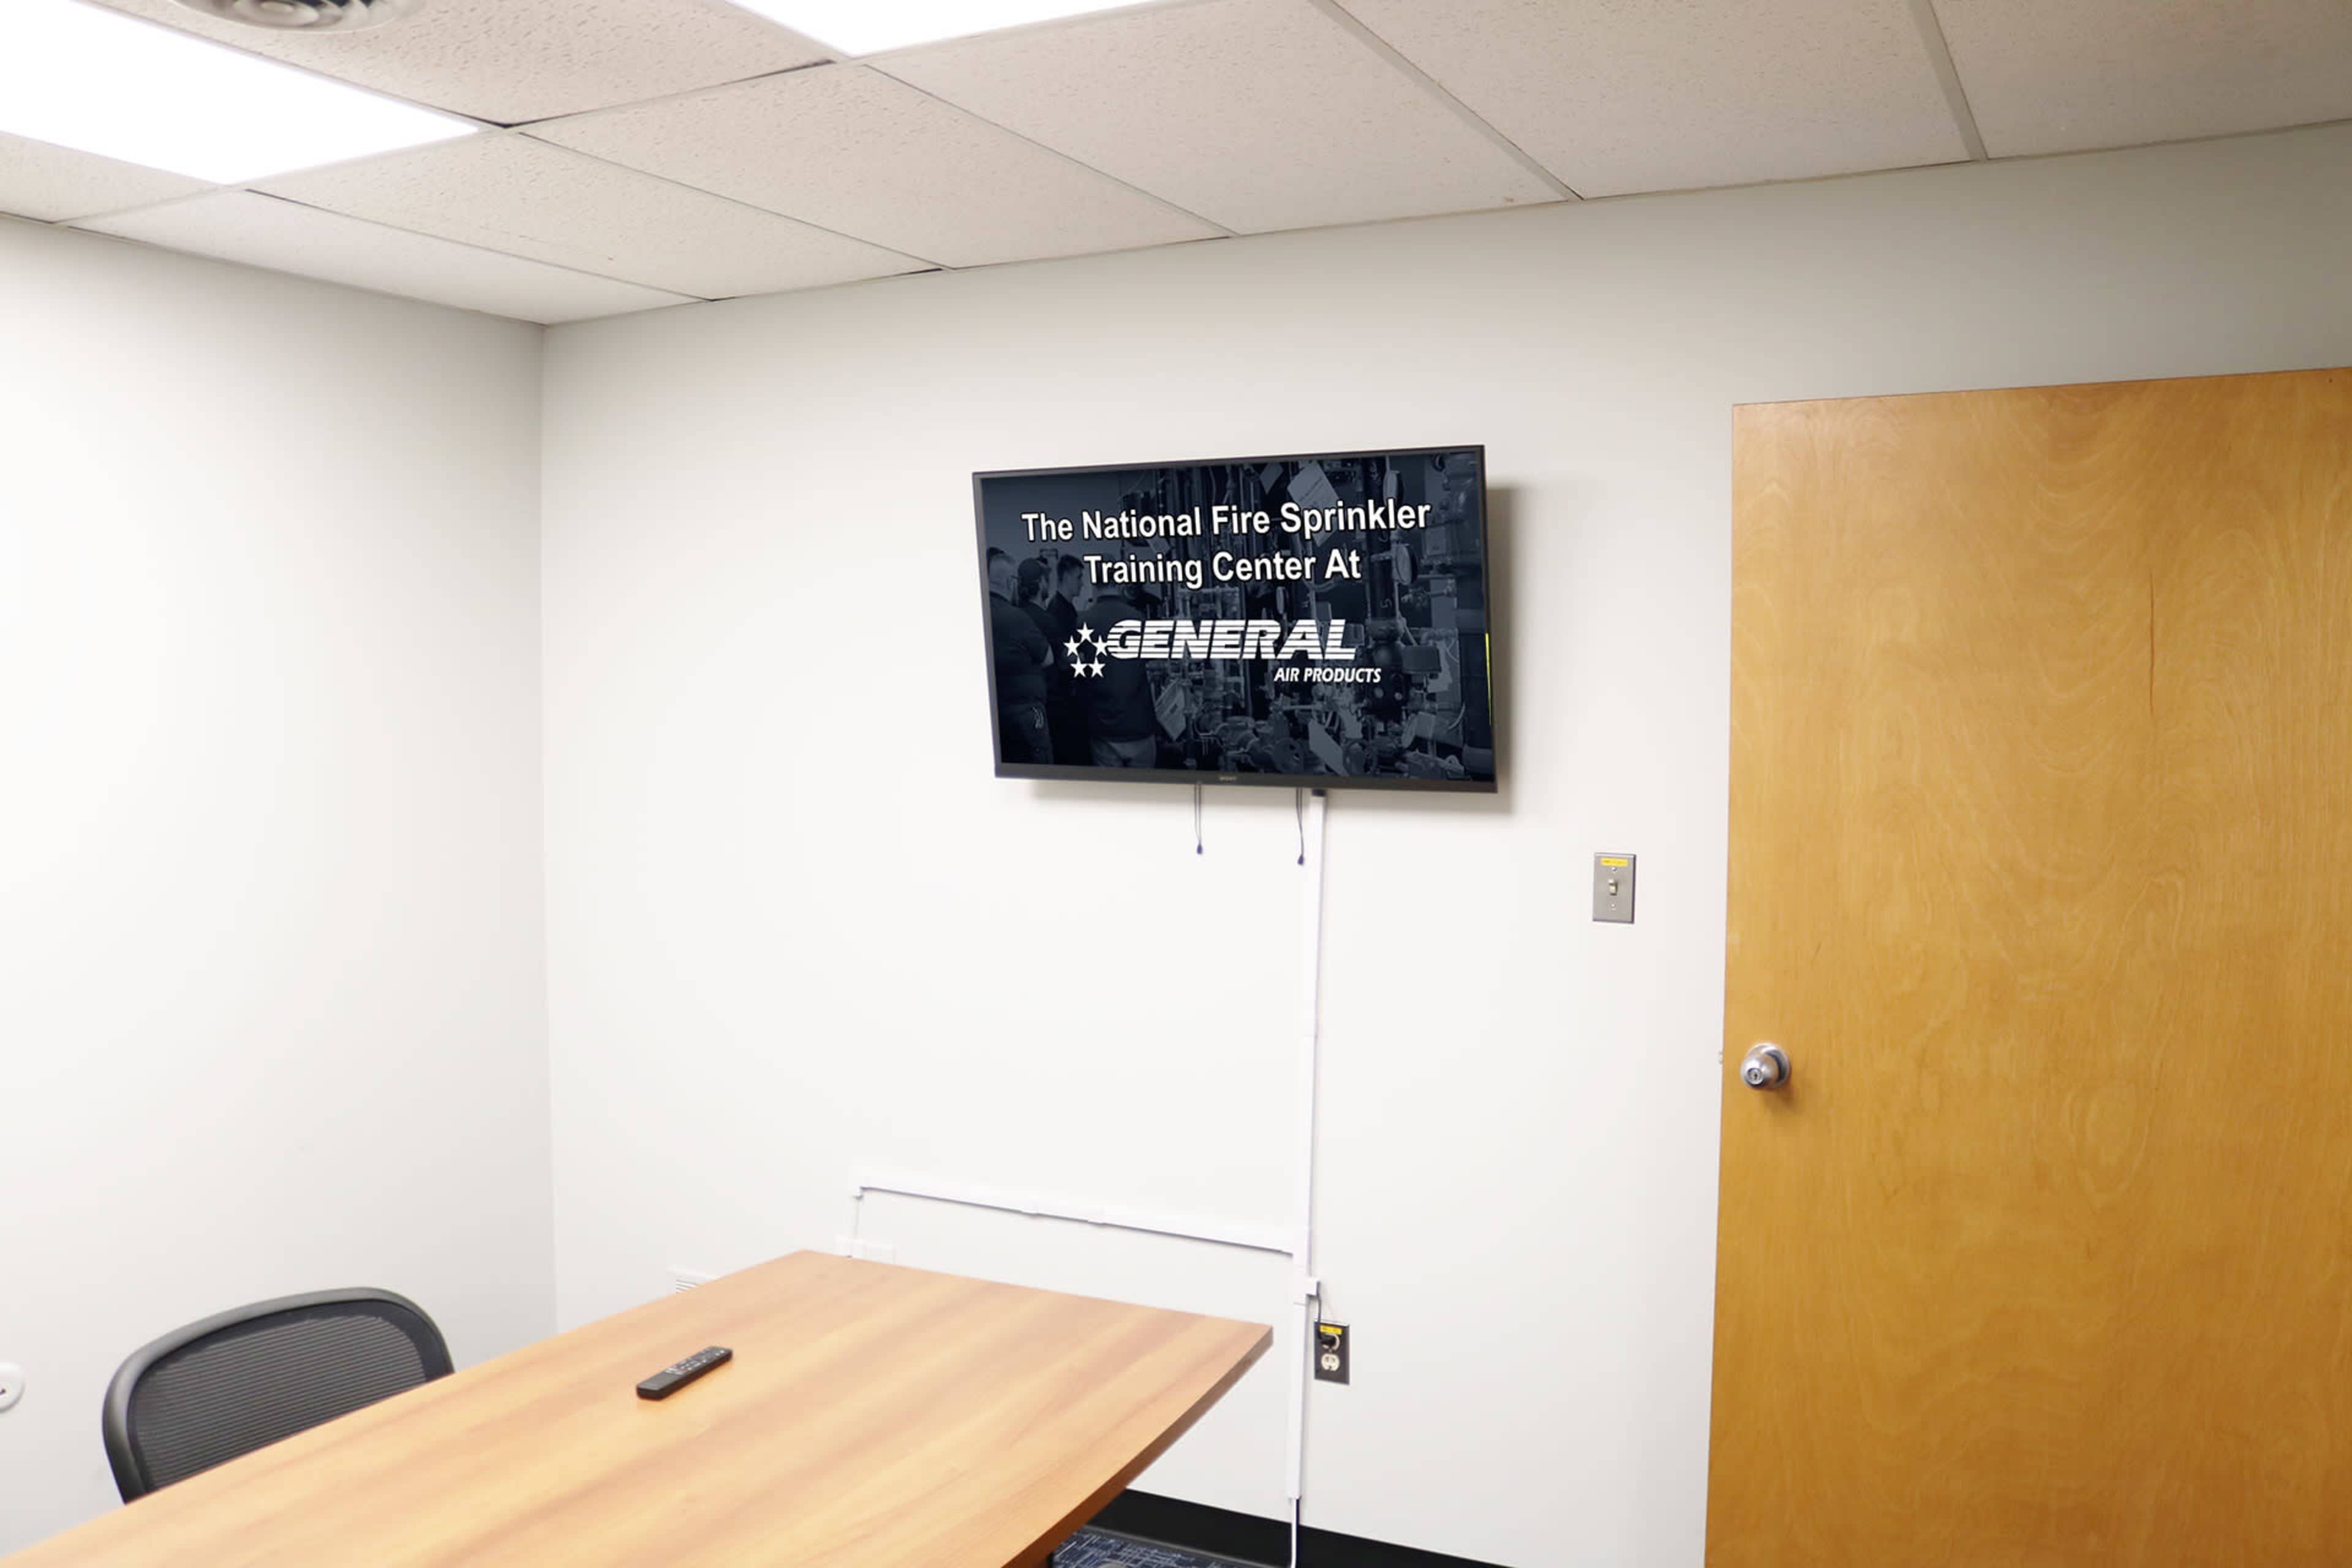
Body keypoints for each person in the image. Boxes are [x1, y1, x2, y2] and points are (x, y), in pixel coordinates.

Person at [1080, 582, 1159, 768]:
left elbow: (1070, 662)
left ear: (1094, 584)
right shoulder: (1138, 618)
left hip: (1104, 728)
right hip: (1139, 725)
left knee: (1111, 794)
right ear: (1119, 584)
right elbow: (1153, 660)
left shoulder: (1084, 621)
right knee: (1144, 793)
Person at [986, 547, 1052, 763]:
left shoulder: (980, 613)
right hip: (1026, 717)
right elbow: (1047, 657)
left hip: (996, 715)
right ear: (1011, 582)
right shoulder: (1016, 617)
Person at [1042, 555, 1088, 764]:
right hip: (1064, 702)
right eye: (1079, 577)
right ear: (1068, 576)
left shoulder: (1067, 609)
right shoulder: (1058, 611)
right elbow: (1063, 658)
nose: (1082, 583)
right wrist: (1083, 659)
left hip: (1071, 697)